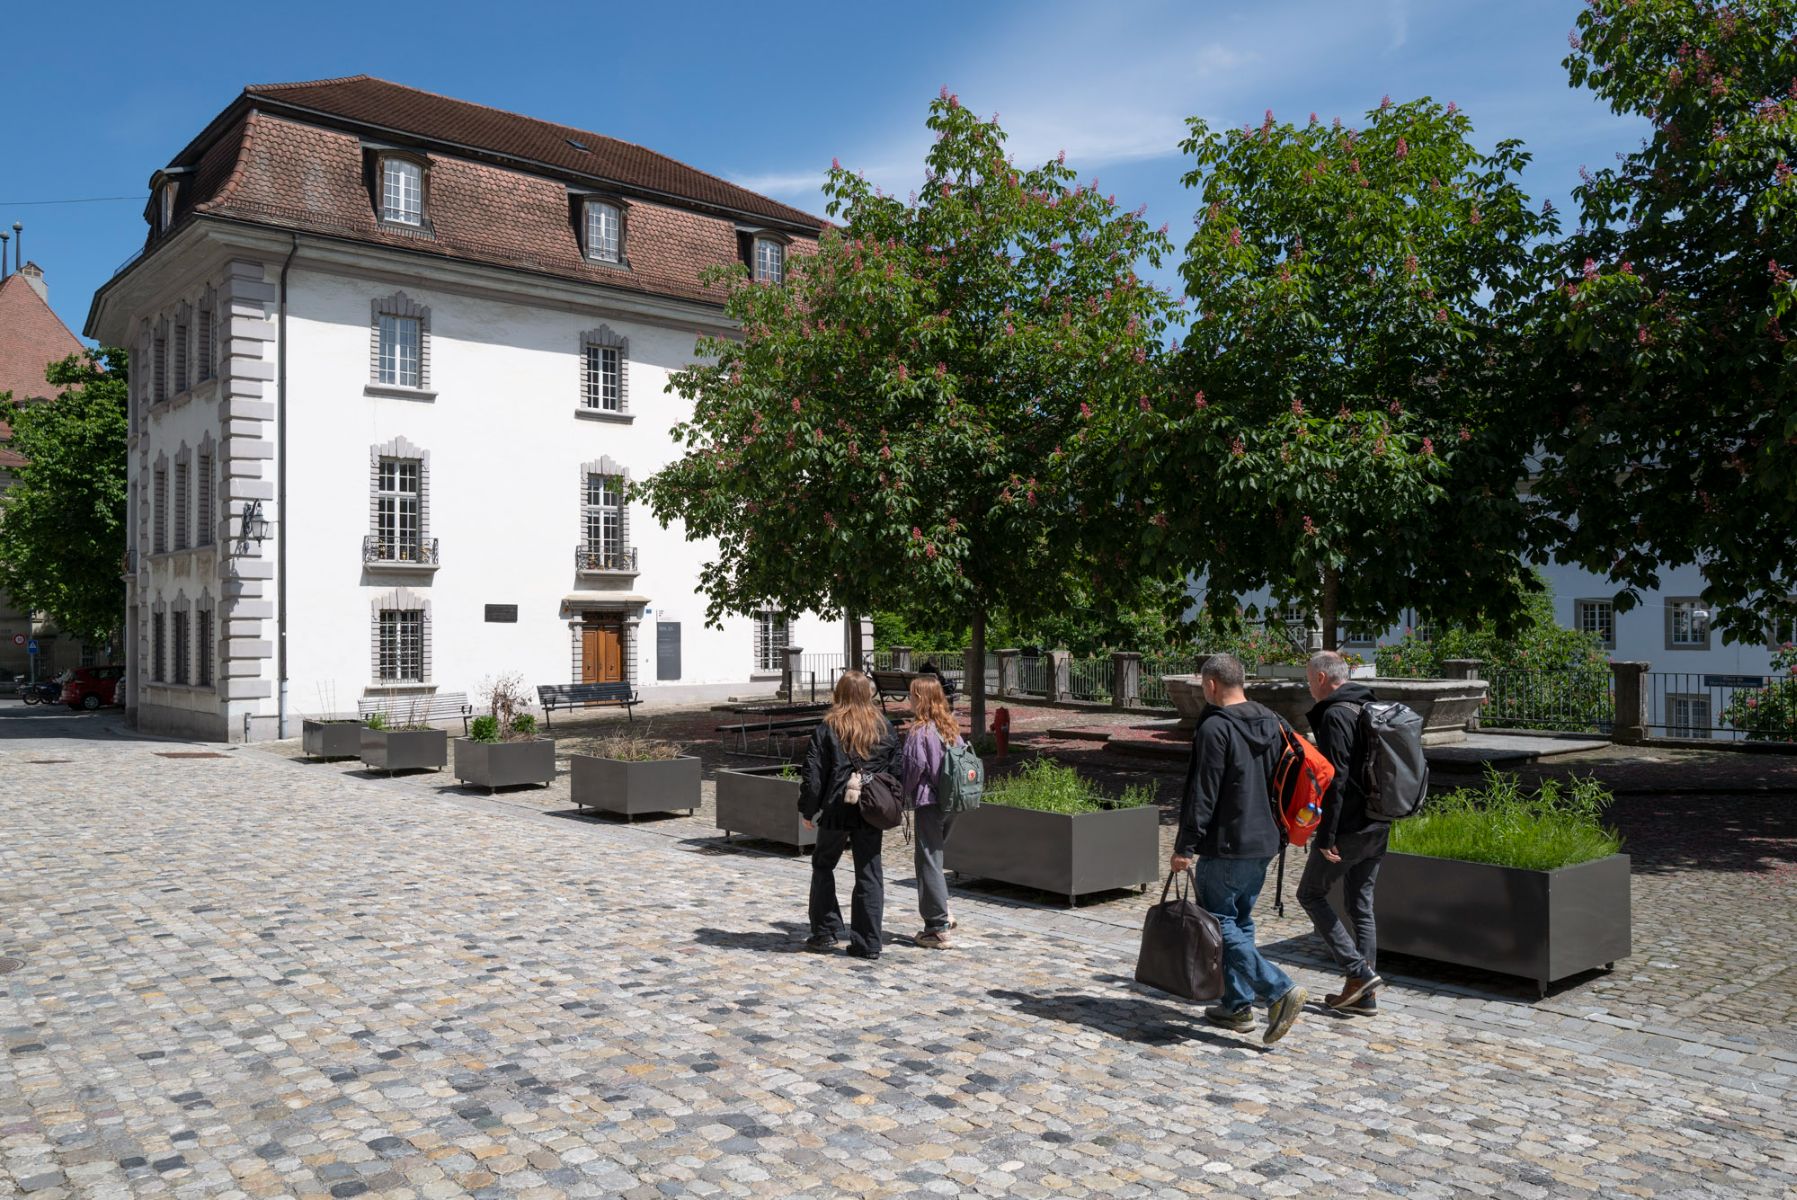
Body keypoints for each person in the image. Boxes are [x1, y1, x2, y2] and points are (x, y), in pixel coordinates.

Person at [1170, 653, 1309, 1044]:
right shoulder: (1273, 720)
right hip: (1266, 840)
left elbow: (1203, 792)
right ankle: (1236, 1006)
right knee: (1239, 922)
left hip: (1227, 843)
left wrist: (1185, 846)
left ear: (1211, 684)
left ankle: (1278, 989)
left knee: (1217, 925)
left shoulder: (1215, 727)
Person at [1295, 650, 1386, 1014]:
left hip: (1349, 826)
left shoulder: (1335, 714)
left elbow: (1336, 779)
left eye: (1308, 680)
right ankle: (1364, 997)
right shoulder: (1369, 706)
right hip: (1380, 821)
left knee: (1310, 894)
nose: (1309, 687)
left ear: (1321, 678)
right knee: (1361, 906)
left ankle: (1358, 972)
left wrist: (1325, 836)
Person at [798, 670, 900, 959]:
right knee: (869, 871)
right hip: (870, 806)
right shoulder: (883, 727)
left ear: (839, 693)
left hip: (838, 807)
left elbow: (814, 774)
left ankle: (825, 930)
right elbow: (896, 770)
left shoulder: (828, 727)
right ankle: (868, 942)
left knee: (823, 863)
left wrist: (808, 809)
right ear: (868, 693)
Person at [901, 674, 962, 948]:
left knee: (928, 861)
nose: (909, 700)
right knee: (936, 858)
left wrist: (899, 795)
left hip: (930, 803)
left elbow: (912, 769)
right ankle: (944, 910)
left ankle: (937, 927)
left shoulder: (920, 731)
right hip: (953, 803)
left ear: (920, 698)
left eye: (912, 695)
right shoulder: (950, 727)